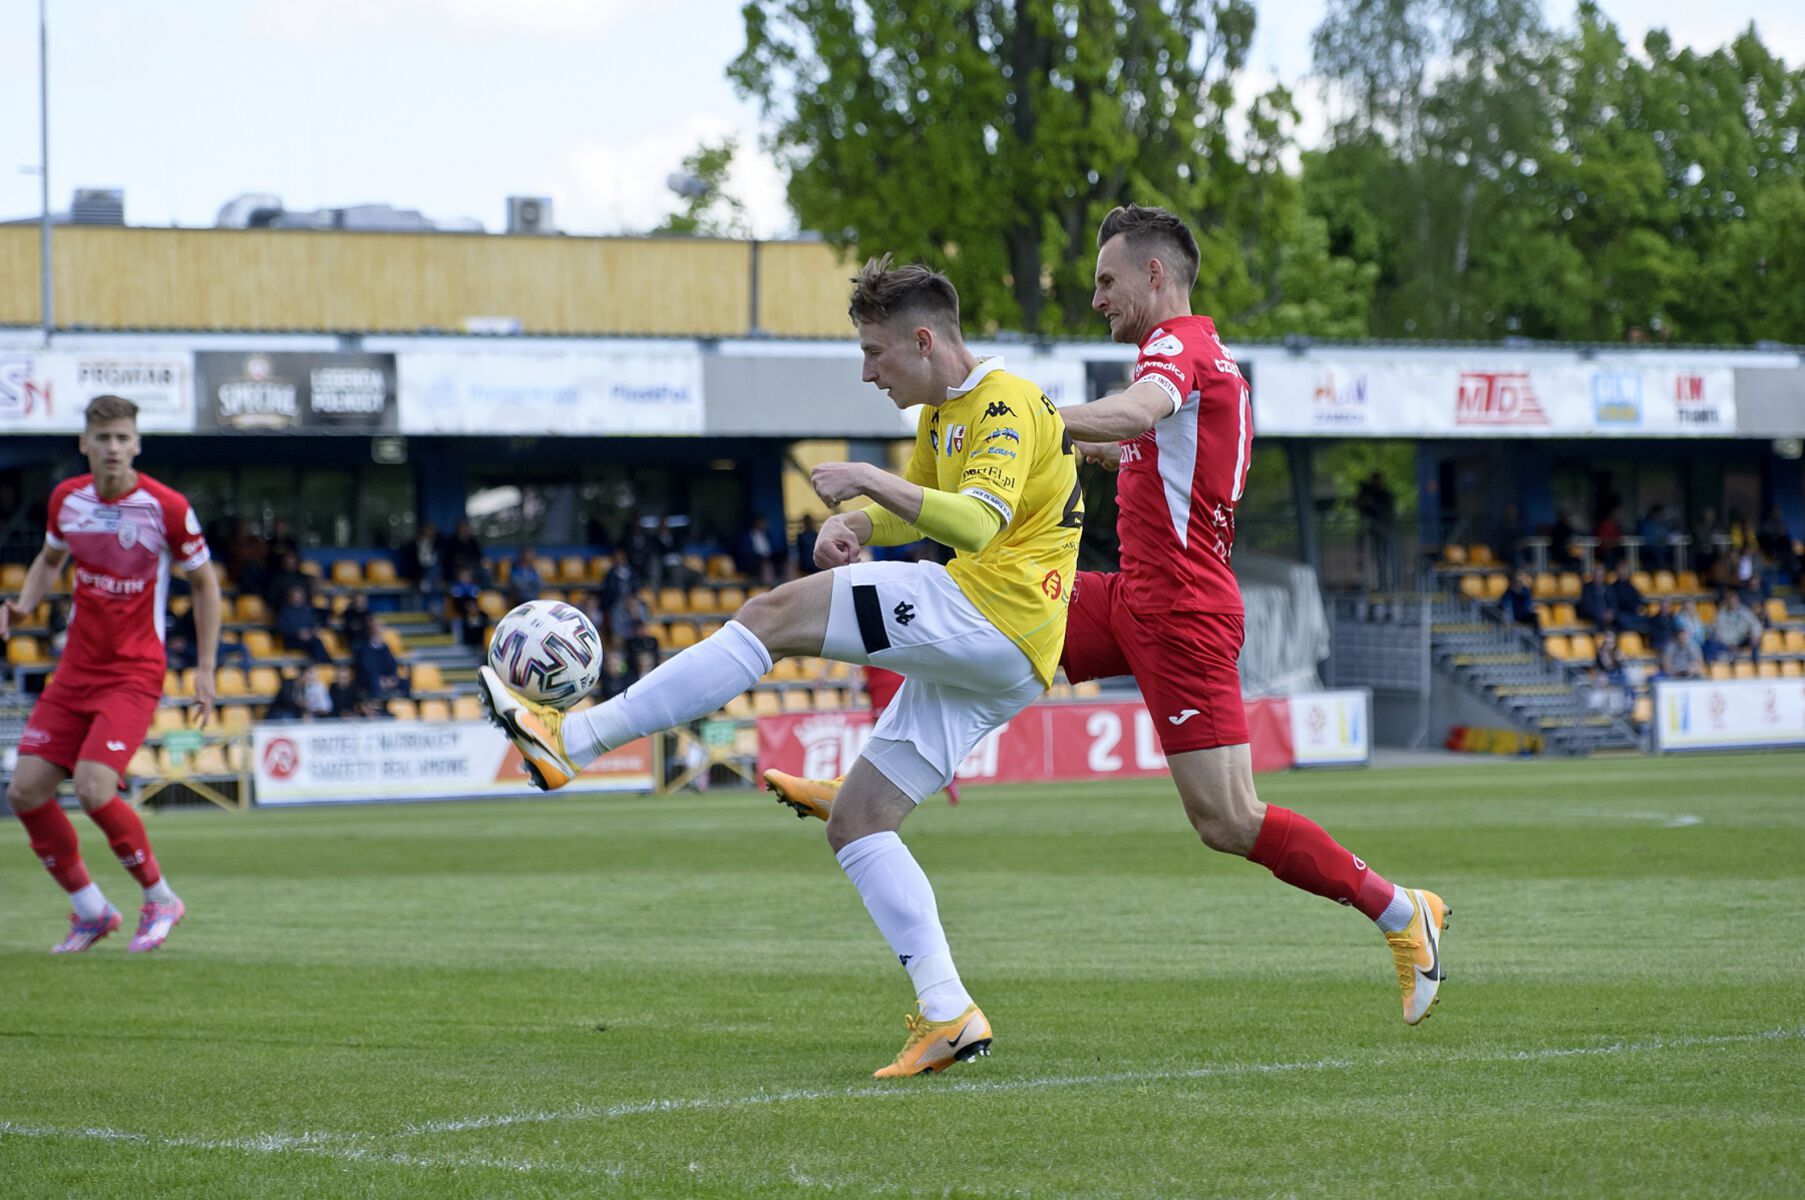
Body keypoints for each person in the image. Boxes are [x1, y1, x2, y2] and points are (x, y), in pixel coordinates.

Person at [761, 205, 1448, 1029]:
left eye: (1105, 280)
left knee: (1226, 820)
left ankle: (1402, 913)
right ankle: (872, 792)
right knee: (978, 610)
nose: (1097, 298)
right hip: (1130, 592)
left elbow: (1129, 416)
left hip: (1184, 611)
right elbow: (1121, 445)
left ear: (1155, 274)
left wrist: (1011, 413)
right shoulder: (1194, 363)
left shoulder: (1180, 347)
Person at [478, 254, 1081, 1076]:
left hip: (991, 610)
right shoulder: (946, 412)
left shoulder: (1001, 402)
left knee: (770, 616)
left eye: (874, 353)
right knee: (858, 822)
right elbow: (923, 508)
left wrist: (864, 477)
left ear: (923, 338)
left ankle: (571, 742)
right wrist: (865, 523)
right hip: (1011, 651)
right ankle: (949, 1014)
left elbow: (974, 525)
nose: (867, 372)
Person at [1, 394, 217, 954]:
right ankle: (90, 910)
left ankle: (160, 898)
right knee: (25, 791)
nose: (114, 448)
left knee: (96, 787)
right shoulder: (66, 500)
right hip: (75, 671)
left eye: (123, 438)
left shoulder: (166, 508)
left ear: (137, 444)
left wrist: (206, 668)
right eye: (104, 438)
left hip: (133, 672)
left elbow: (205, 585)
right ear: (85, 444)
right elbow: (50, 561)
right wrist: (24, 605)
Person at [353, 616, 410, 707]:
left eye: (380, 631)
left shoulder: (385, 647)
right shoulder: (365, 648)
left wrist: (392, 677)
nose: (378, 634)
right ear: (372, 632)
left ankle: (404, 706)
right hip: (369, 679)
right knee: (374, 682)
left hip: (385, 678)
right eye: (376, 631)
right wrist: (380, 679)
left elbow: (392, 664)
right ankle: (377, 707)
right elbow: (366, 668)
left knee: (404, 682)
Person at [1707, 590, 1763, 662]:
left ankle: (1755, 663)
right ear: (1727, 602)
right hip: (1726, 643)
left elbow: (1756, 625)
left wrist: (1755, 636)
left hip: (1741, 641)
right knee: (1712, 643)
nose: (1733, 603)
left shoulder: (1745, 611)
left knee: (1756, 642)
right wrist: (1730, 644)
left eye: (1735, 601)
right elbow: (1718, 632)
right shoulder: (1721, 614)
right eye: (1730, 601)